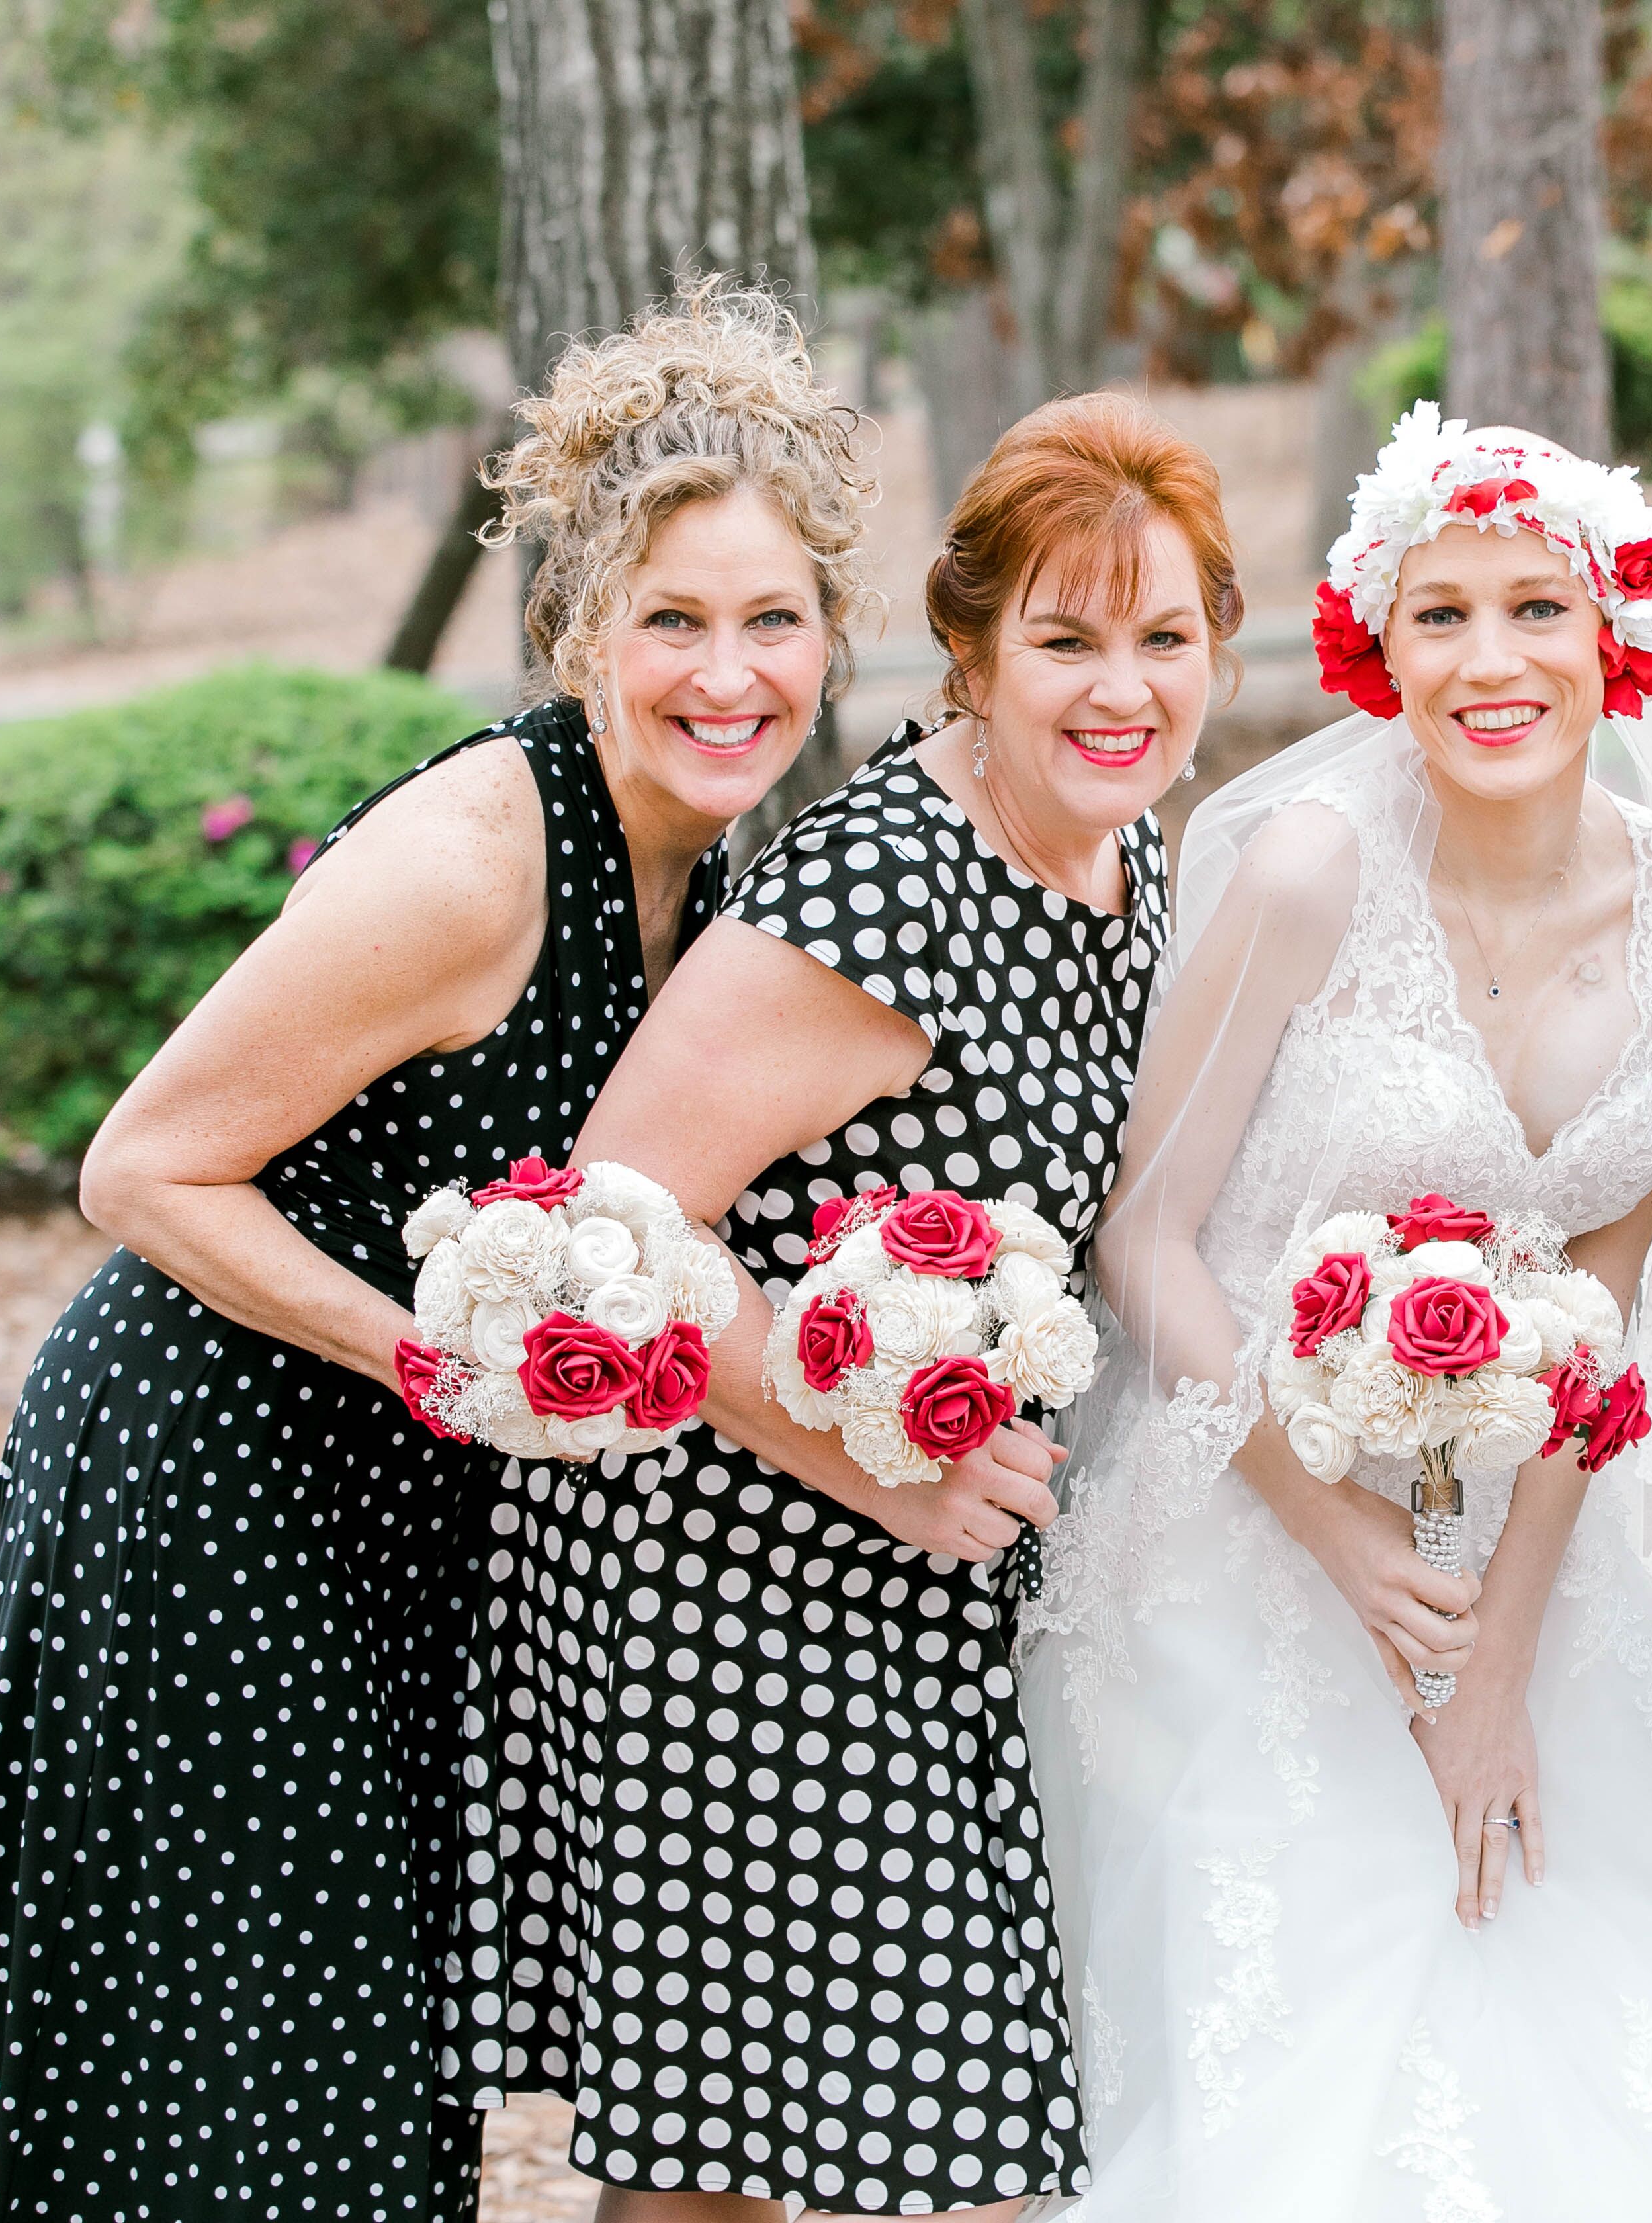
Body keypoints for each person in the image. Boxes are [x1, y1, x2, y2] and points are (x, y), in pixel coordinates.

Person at [0, 275, 860, 2223]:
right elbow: (142, 1170)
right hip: (208, 1483)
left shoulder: (719, 870)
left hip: (396, 1517)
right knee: (234, 2066)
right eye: (672, 622)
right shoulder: (485, 853)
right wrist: (431, 1358)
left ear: (835, 631)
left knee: (342, 2068)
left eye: (773, 620)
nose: (725, 672)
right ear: (583, 631)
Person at [1015, 405, 1652, 2217]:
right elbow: (1151, 1239)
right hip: (1261, 1537)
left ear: (1618, 637)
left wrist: (1496, 1654)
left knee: (1604, 2000)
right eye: (1441, 616)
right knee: (1333, 2027)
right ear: (1378, 645)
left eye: (1536, 610)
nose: (1492, 663)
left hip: (1532, 1553)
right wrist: (1343, 1545)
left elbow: (1614, 1280)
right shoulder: (1302, 878)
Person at [453, 391, 1237, 2221]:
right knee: (798, 2154)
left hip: (935, 1593)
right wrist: (857, 1458)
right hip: (729, 1583)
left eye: (1166, 638)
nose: (1121, 689)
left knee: (862, 2131)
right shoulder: (885, 885)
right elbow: (606, 1220)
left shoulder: (1129, 874)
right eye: (1065, 640)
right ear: (970, 655)